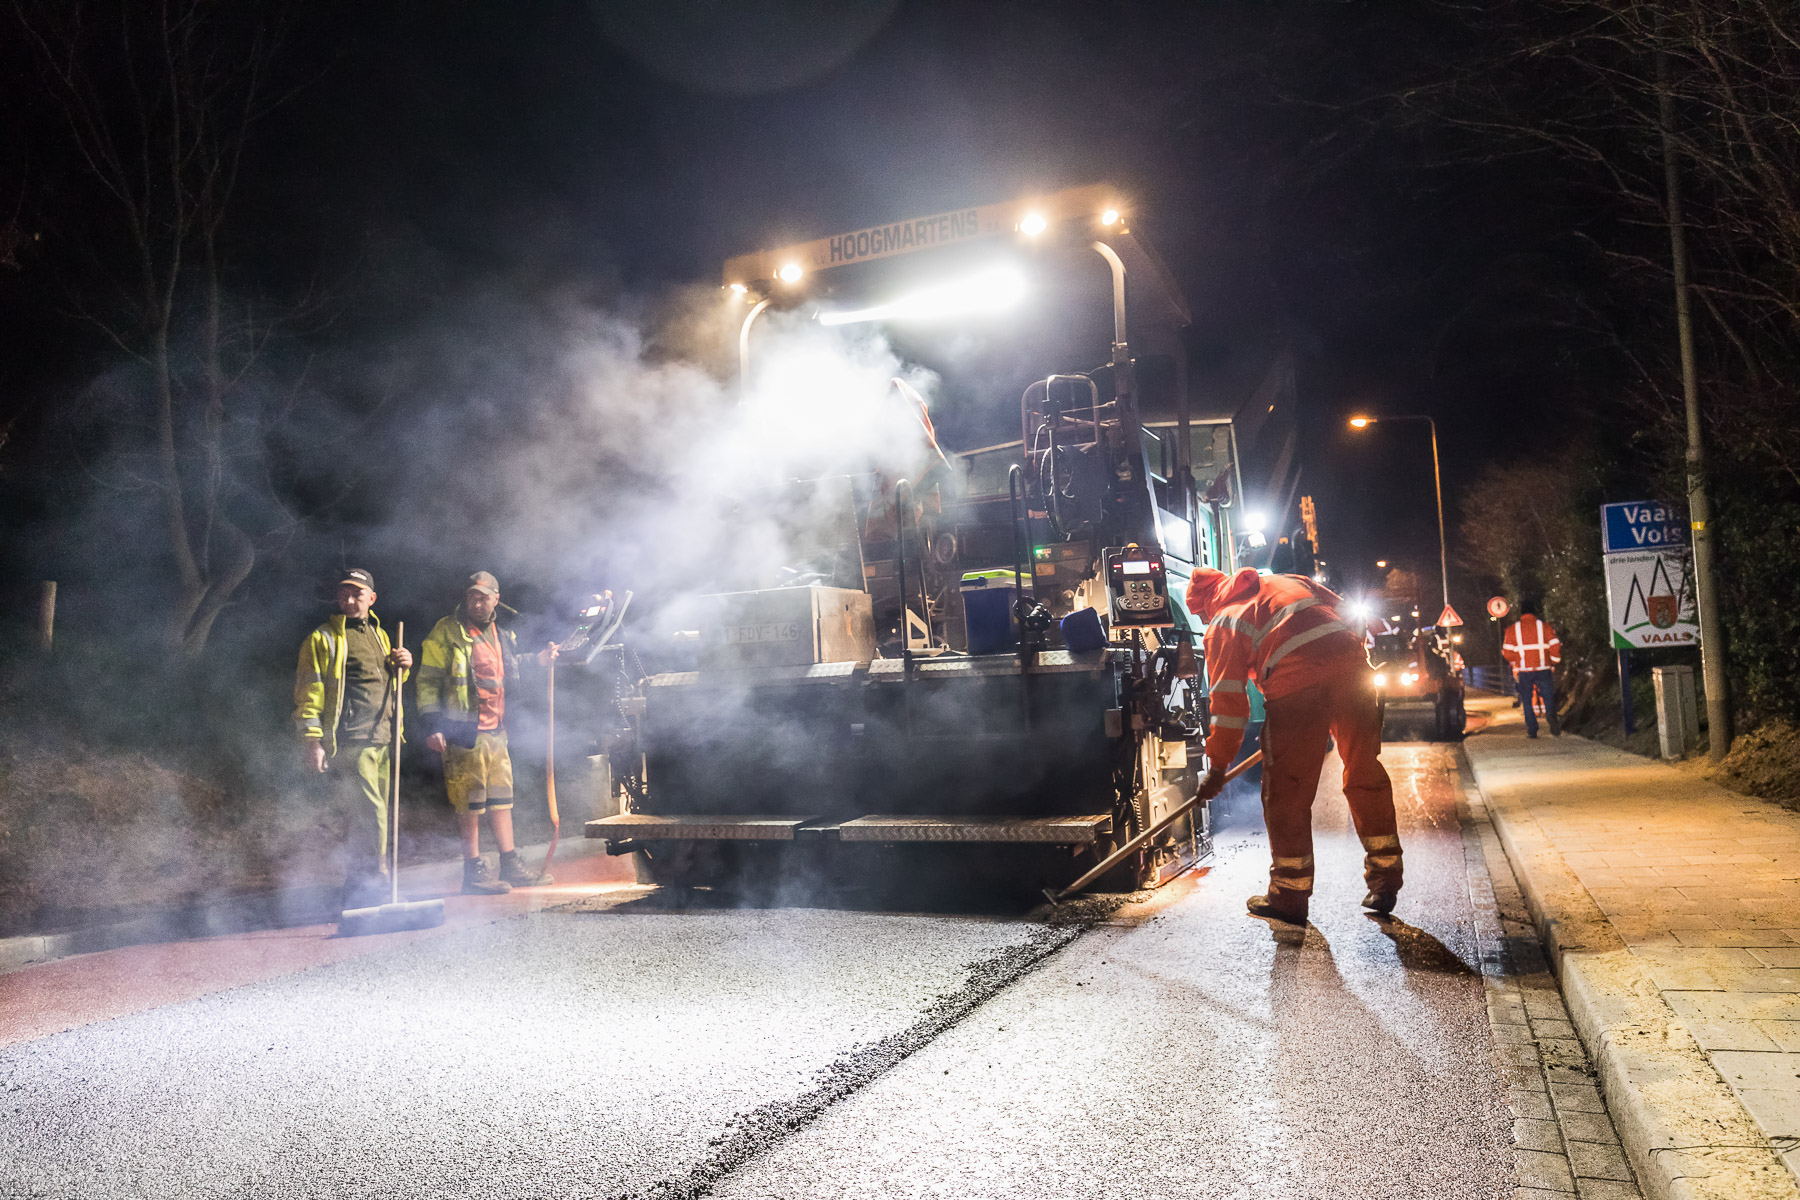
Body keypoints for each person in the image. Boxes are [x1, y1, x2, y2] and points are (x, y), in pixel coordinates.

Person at [1188, 566, 1403, 925]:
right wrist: (1349, 662)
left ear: (1205, 603)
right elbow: (1348, 614)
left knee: (1287, 792)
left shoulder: (1224, 621)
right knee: (1366, 773)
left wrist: (1217, 766)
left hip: (1295, 691)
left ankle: (1289, 894)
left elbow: (1228, 704)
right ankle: (1385, 881)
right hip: (1355, 676)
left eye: (1200, 613)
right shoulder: (1288, 581)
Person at [417, 572, 558, 894]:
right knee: (470, 804)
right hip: (463, 733)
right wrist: (433, 726)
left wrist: (537, 661)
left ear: (496, 598)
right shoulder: (447, 631)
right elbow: (427, 680)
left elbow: (503, 667)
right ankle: (474, 871)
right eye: (471, 597)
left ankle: (510, 863)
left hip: (496, 731)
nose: (476, 603)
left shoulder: (500, 632)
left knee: (501, 799)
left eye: (483, 597)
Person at [293, 568, 412, 909]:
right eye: (343, 593)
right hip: (351, 741)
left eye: (356, 594)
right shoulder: (323, 639)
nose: (348, 599)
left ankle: (357, 888)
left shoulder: (381, 636)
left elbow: (389, 684)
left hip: (385, 738)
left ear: (371, 598)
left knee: (376, 816)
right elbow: (309, 693)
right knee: (373, 814)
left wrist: (405, 663)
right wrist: (312, 742)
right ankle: (377, 885)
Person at [1501, 599, 1562, 738]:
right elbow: (1555, 645)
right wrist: (1554, 660)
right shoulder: (1545, 627)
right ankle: (1552, 721)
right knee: (1548, 697)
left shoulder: (1512, 630)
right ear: (1534, 611)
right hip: (1544, 668)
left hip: (1524, 671)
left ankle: (1532, 730)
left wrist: (1518, 661)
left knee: (1527, 700)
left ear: (1521, 613)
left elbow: (1507, 653)